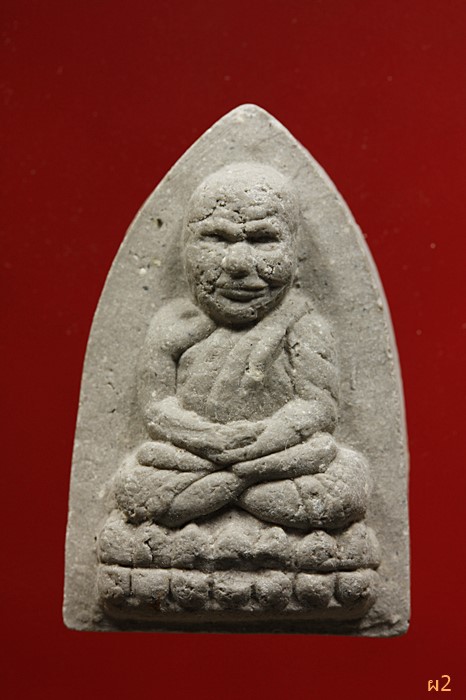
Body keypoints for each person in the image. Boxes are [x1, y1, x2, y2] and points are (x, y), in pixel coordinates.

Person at [114, 163, 369, 532]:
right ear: (186, 247)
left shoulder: (302, 323)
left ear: (295, 252)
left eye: (263, 240)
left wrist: (261, 444)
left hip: (275, 457)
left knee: (343, 476)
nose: (237, 263)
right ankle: (241, 490)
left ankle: (223, 491)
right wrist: (209, 439)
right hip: (193, 458)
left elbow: (317, 408)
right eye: (217, 238)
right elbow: (157, 408)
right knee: (134, 483)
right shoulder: (173, 324)